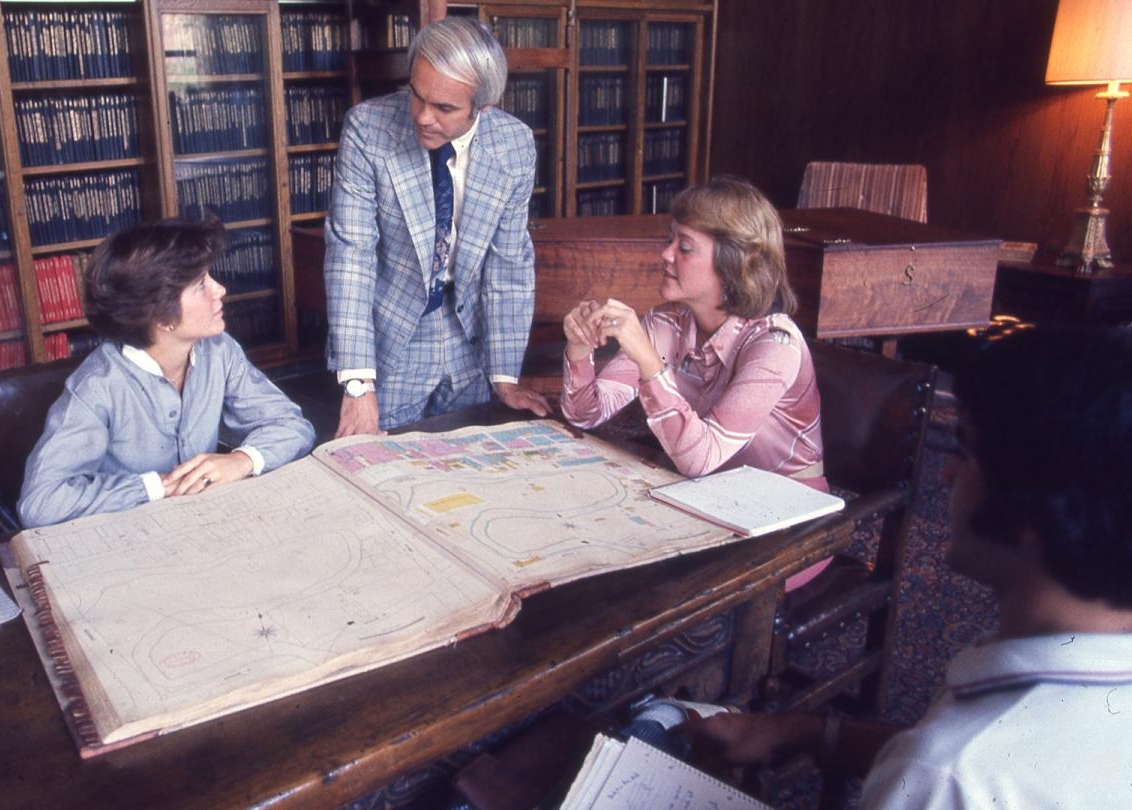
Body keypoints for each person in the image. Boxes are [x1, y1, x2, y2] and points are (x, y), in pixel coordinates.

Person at [683, 326, 1132, 809]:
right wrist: (802, 731)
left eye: (964, 451)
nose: (947, 473)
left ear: (1032, 508)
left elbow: (946, 770)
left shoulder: (947, 779)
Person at [323, 16, 549, 436]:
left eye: (444, 108)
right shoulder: (368, 129)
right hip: (394, 330)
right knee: (376, 464)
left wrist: (505, 375)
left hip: (470, 334)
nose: (423, 117)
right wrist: (357, 383)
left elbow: (508, 262)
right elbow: (351, 255)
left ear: (483, 106)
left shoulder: (514, 144)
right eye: (417, 95)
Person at [17, 218, 316, 529]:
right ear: (161, 315)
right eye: (201, 284)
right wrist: (158, 486)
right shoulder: (97, 386)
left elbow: (293, 425)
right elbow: (40, 503)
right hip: (127, 537)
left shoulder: (219, 350)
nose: (220, 290)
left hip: (204, 525)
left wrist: (242, 460)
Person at [560, 176, 825, 491]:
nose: (666, 255)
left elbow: (699, 459)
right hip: (711, 490)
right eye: (669, 240)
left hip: (789, 503)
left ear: (734, 265)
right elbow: (585, 415)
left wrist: (647, 360)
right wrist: (579, 348)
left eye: (684, 247)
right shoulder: (667, 321)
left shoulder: (776, 343)